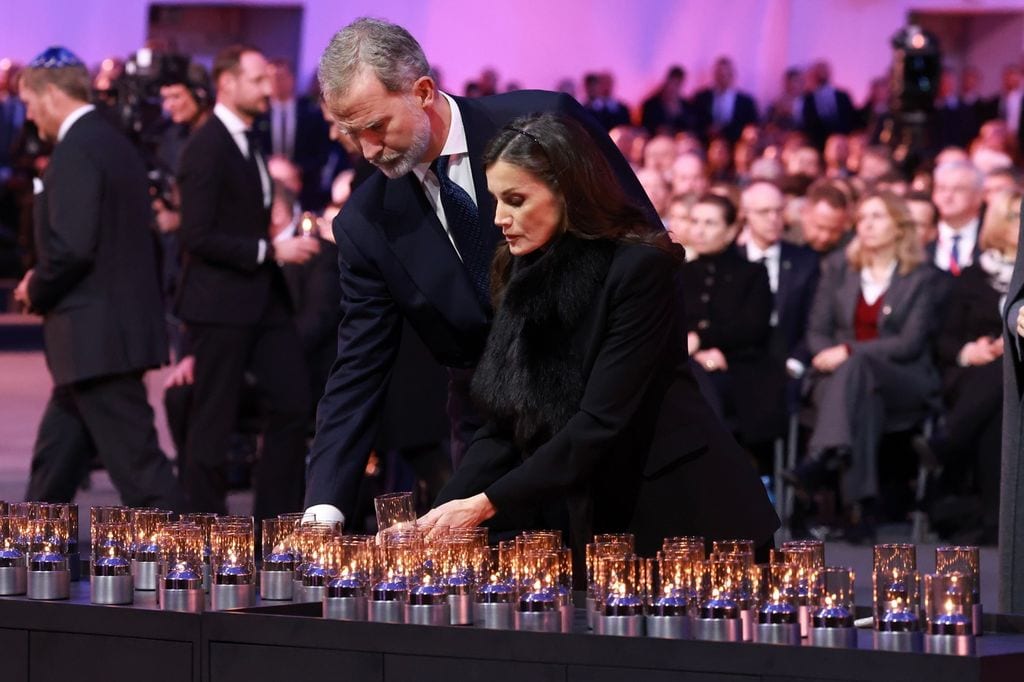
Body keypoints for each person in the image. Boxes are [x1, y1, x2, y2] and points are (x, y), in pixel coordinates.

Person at [304, 19, 658, 525]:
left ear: (423, 91)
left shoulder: (545, 122)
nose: (366, 150)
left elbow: (643, 244)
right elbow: (358, 365)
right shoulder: (365, 222)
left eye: (376, 126)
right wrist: (324, 506)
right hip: (493, 435)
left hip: (612, 410)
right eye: (349, 133)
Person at [420, 113, 779, 559]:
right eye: (495, 200)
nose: (499, 219)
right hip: (597, 518)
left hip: (687, 518)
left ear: (567, 192)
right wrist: (435, 519)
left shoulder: (640, 268)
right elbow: (506, 423)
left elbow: (601, 420)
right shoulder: (520, 269)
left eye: (515, 200)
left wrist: (485, 504)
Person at [12, 46, 183, 510]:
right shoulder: (112, 142)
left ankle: (198, 561)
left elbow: (72, 247)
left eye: (28, 103)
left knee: (142, 474)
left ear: (50, 96)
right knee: (55, 463)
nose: (29, 116)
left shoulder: (78, 149)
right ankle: (29, 554)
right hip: (101, 339)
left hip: (98, 340)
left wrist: (34, 286)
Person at [175, 45, 320, 519]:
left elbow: (241, 218)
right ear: (227, 82)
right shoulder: (205, 145)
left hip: (261, 299)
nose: (268, 87)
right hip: (220, 303)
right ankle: (205, 531)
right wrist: (268, 250)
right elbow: (196, 236)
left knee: (294, 401)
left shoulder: (247, 139)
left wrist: (279, 238)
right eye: (257, 79)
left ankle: (272, 527)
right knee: (211, 425)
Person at [791, 192, 939, 534]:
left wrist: (847, 351)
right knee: (863, 394)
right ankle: (862, 509)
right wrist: (833, 355)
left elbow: (908, 343)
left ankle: (821, 458)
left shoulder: (920, 276)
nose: (867, 225)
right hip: (844, 382)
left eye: (877, 217)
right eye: (863, 218)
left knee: (858, 366)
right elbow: (816, 330)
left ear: (899, 227)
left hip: (902, 379)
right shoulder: (839, 268)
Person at [919, 189, 1019, 544]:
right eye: (1015, 217)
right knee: (997, 391)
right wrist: (969, 351)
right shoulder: (973, 277)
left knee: (1005, 376)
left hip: (1014, 376)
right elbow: (944, 338)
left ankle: (948, 439)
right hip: (971, 375)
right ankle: (995, 520)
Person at [691, 57, 758, 144]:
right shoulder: (701, 98)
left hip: (735, 145)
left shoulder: (746, 102)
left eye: (726, 75)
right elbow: (695, 122)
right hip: (706, 144)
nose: (722, 78)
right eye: (719, 75)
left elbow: (751, 126)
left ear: (733, 76)